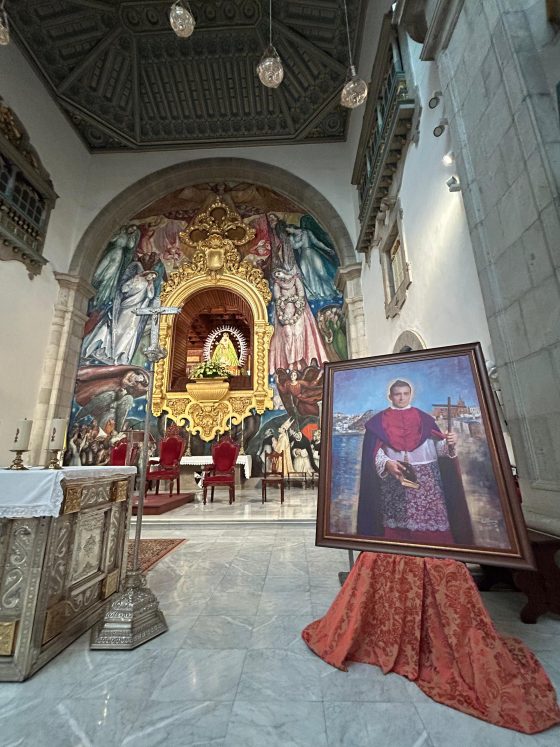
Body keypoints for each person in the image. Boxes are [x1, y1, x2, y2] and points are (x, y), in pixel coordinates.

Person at [356, 379, 474, 546]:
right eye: (398, 394)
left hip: (427, 479)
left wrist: (449, 443)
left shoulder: (424, 419)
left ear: (411, 395)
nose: (402, 398)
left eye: (405, 394)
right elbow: (374, 452)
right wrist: (387, 463)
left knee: (432, 524)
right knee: (396, 524)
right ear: (390, 396)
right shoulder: (378, 422)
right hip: (395, 478)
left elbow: (438, 450)